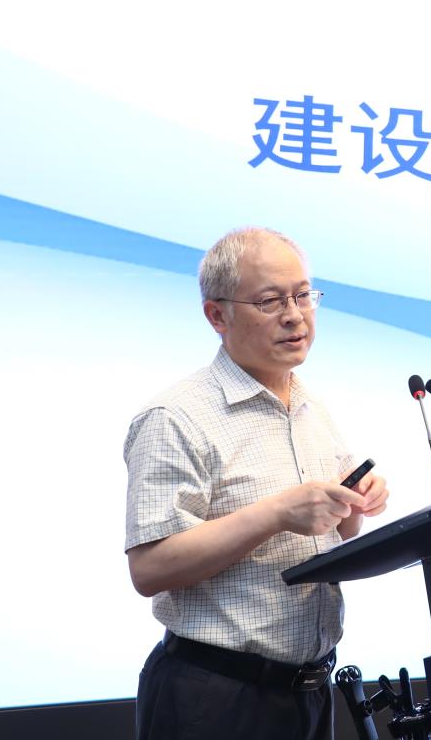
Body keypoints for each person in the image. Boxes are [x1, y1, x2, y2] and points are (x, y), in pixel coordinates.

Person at [124, 227, 389, 740]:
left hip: (310, 693)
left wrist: (354, 505)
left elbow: (335, 532)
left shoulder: (310, 406)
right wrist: (276, 513)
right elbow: (150, 568)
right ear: (217, 315)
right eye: (270, 301)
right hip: (216, 697)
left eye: (303, 295)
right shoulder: (175, 417)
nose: (294, 315)